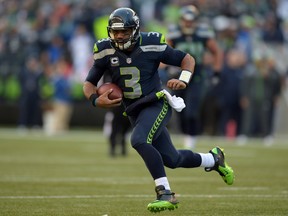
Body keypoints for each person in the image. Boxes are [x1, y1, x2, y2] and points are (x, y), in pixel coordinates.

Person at [83, 7, 234, 213]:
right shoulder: (105, 50)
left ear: (135, 30)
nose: (119, 36)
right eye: (115, 31)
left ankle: (165, 193)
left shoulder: (151, 44)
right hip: (133, 109)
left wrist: (183, 79)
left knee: (138, 140)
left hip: (155, 101)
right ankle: (213, 159)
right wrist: (94, 100)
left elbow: (187, 59)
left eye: (124, 31)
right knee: (173, 159)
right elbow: (89, 83)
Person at [166, 5, 224, 148]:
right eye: (185, 20)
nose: (188, 23)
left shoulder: (203, 33)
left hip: (196, 74)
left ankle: (191, 137)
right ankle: (186, 134)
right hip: (178, 75)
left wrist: (217, 71)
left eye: (191, 20)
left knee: (192, 110)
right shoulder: (174, 33)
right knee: (179, 108)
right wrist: (168, 67)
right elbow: (165, 51)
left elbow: (216, 51)